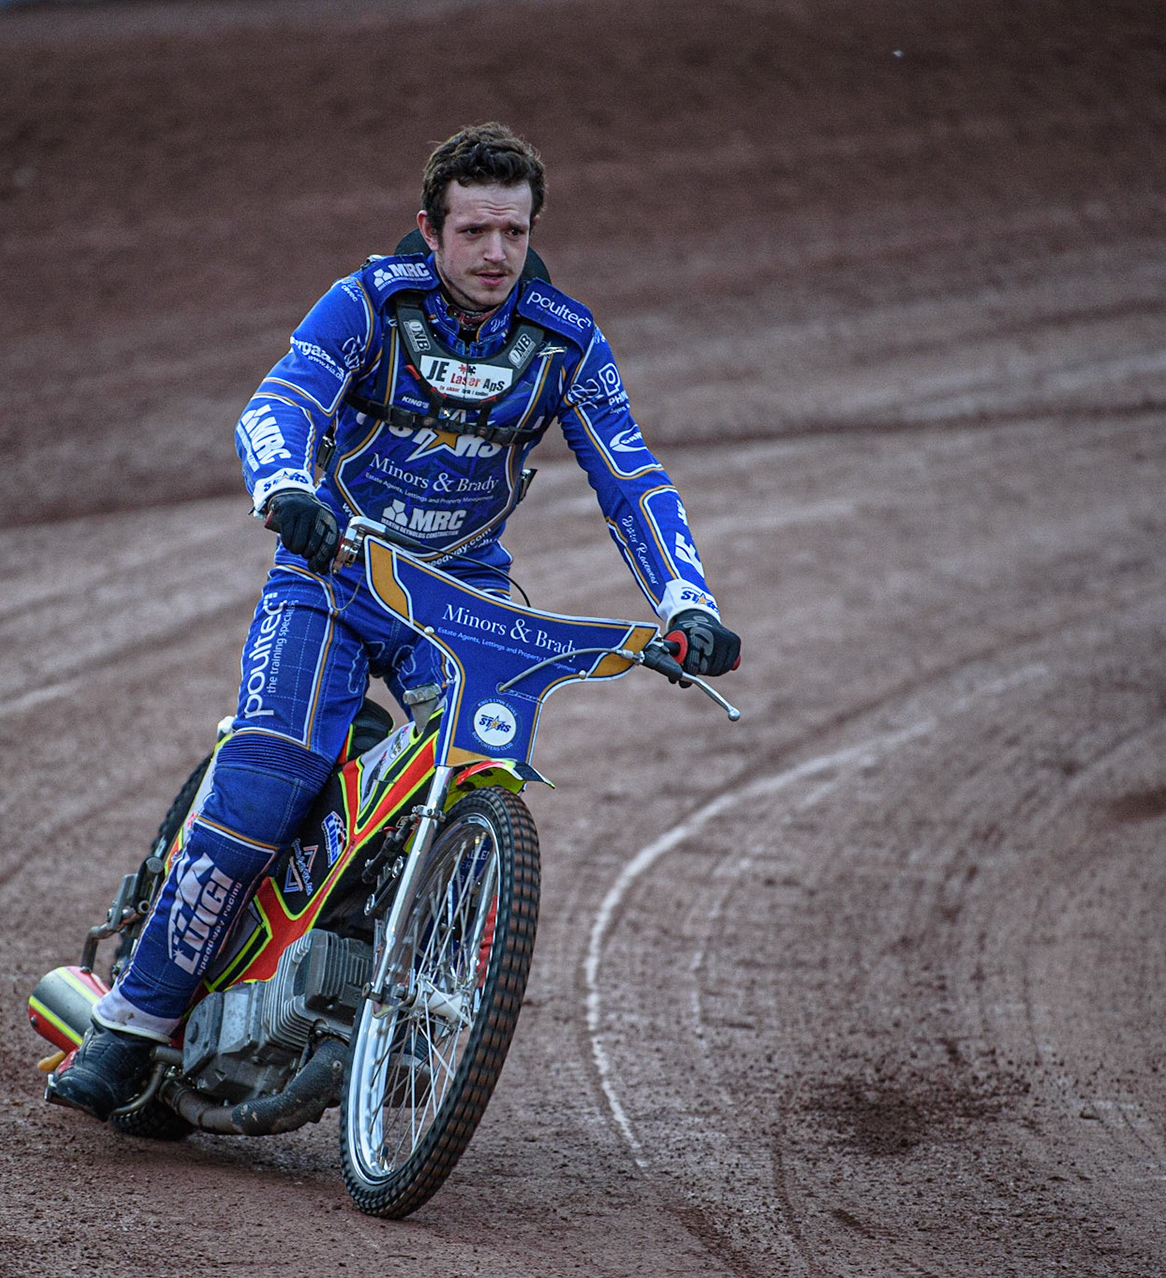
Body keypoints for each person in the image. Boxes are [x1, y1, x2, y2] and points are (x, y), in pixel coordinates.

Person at [48, 122, 741, 1118]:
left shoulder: (566, 342)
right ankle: (134, 1025)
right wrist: (287, 485)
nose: (496, 252)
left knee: (476, 772)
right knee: (269, 774)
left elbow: (632, 480)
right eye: (474, 231)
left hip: (462, 597)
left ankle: (402, 996)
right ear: (431, 228)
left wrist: (686, 605)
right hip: (333, 573)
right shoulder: (369, 303)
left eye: (513, 229)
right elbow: (277, 404)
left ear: (534, 227)